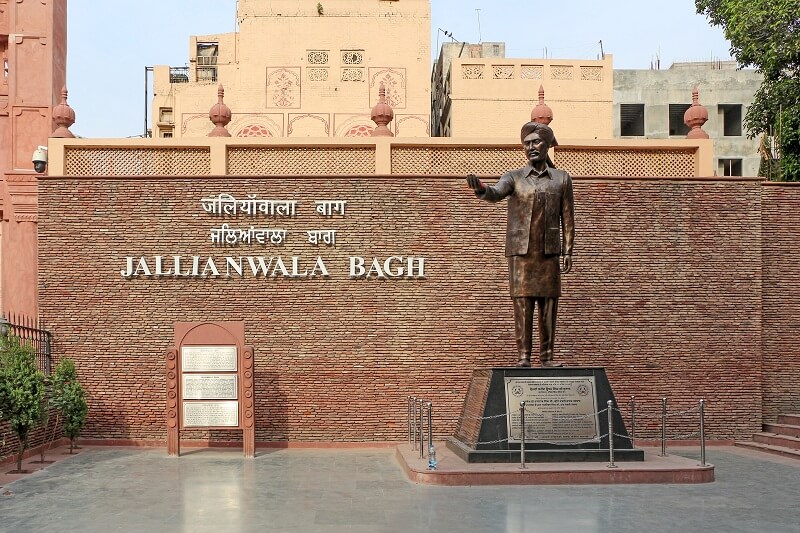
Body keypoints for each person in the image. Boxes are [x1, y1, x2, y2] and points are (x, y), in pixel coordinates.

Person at [466, 122, 574, 367]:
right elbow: (495, 193)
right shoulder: (513, 177)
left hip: (549, 253)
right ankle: (524, 358)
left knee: (548, 307)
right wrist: (481, 188)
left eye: (536, 142)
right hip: (521, 254)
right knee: (523, 305)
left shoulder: (562, 179)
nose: (531, 147)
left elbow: (568, 218)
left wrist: (568, 250)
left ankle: (546, 359)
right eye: (527, 143)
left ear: (547, 145)